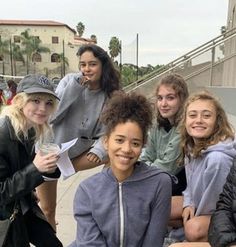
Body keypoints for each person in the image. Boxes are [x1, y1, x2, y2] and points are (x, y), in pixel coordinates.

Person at [69, 92, 173, 247]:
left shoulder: (160, 183)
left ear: (143, 146)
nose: (126, 149)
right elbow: (90, 243)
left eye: (135, 143)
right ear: (106, 142)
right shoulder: (87, 190)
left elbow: (153, 241)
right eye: (119, 140)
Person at [36, 44, 121, 231]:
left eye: (92, 64)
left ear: (103, 65)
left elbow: (108, 132)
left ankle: (108, 202)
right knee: (48, 209)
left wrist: (99, 149)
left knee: (113, 153)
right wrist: (75, 88)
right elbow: (52, 116)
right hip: (49, 151)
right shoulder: (69, 81)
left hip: (76, 155)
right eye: (83, 64)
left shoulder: (110, 95)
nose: (86, 69)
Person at [0, 74, 63, 247]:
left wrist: (44, 169)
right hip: (7, 216)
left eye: (48, 103)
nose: (43, 108)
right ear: (20, 100)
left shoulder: (30, 129)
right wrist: (35, 169)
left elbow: (17, 170)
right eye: (35, 100)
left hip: (22, 206)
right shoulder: (3, 132)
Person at [169, 91, 236, 243]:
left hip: (226, 213)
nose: (198, 120)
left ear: (217, 121)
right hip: (202, 205)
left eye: (206, 116)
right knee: (163, 204)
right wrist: (188, 203)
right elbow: (190, 187)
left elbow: (215, 206)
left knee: (193, 228)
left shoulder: (218, 160)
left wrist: (188, 223)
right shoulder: (191, 145)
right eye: (192, 115)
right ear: (185, 120)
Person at [140, 73, 189, 196]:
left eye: (170, 98)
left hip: (177, 187)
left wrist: (144, 167)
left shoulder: (185, 127)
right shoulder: (157, 126)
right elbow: (146, 157)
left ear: (182, 100)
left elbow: (167, 168)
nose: (163, 104)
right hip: (156, 179)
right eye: (160, 98)